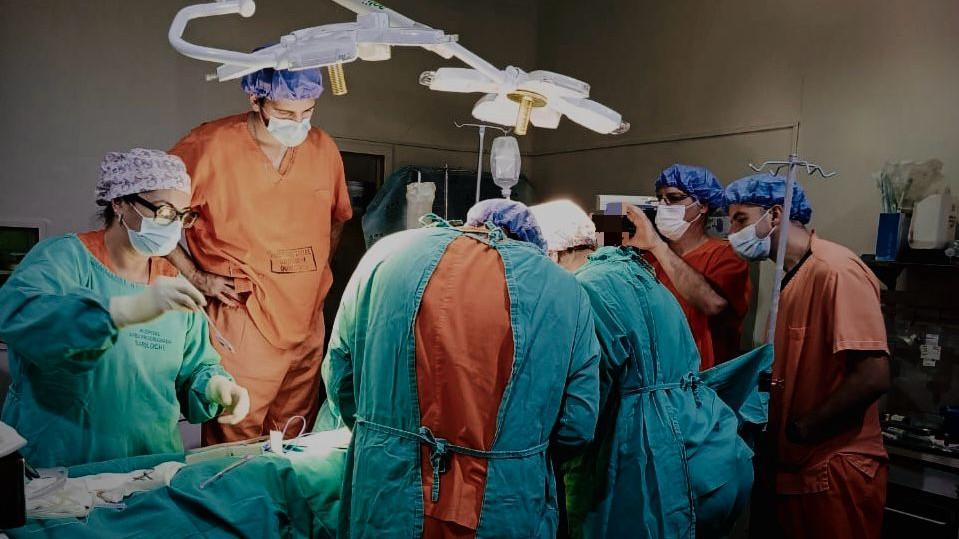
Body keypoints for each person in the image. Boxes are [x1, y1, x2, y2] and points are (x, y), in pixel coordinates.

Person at [323, 201, 600, 538]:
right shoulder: (563, 290)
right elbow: (577, 423)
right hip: (502, 502)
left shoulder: (384, 257)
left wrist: (386, 439)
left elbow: (340, 377)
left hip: (386, 491)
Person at [525, 200, 763, 538]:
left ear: (551, 255)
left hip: (648, 458)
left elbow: (585, 407)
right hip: (707, 445)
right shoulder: (637, 274)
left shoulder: (586, 290)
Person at [0, 148, 249, 468]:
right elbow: (16, 314)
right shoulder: (63, 259)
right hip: (62, 461)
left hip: (149, 463)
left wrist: (216, 386)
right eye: (164, 212)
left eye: (182, 215)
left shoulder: (172, 284)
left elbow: (195, 366)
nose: (174, 226)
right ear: (119, 203)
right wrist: (122, 311)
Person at [167, 65, 353, 445]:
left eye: (307, 111)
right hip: (245, 313)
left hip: (306, 315)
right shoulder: (210, 146)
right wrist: (197, 276)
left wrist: (313, 276)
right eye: (285, 113)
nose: (298, 124)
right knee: (236, 440)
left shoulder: (323, 149)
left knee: (294, 439)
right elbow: (152, 211)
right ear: (255, 99)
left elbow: (337, 218)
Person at [724, 174, 890, 539]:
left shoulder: (836, 270)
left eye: (740, 220)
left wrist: (802, 429)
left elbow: (873, 375)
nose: (733, 233)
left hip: (833, 469)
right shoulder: (791, 279)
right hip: (794, 471)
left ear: (776, 214)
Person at [627, 164, 751, 369]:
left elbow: (713, 304)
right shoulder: (649, 258)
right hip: (658, 372)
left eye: (674, 198)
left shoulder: (726, 255)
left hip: (703, 376)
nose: (663, 205)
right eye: (660, 198)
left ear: (703, 206)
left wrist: (657, 245)